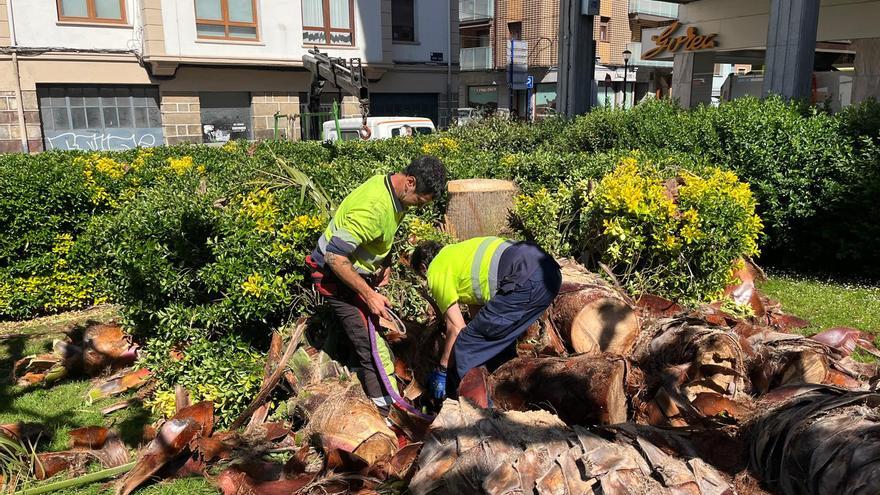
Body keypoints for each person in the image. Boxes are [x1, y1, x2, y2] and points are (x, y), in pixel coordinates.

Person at [306, 156, 447, 415]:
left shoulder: (394, 191)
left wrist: (386, 262)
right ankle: (384, 412)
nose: (418, 207)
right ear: (410, 182)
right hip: (333, 276)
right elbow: (335, 257)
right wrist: (369, 295)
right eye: (420, 201)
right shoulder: (373, 208)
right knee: (372, 349)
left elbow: (382, 234)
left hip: (353, 273)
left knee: (373, 341)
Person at [410, 237, 561, 400]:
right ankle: (511, 395)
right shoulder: (459, 254)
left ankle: (470, 411)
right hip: (550, 274)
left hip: (525, 280)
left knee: (465, 345)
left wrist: (443, 368)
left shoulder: (436, 268)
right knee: (499, 346)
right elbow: (481, 319)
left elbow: (456, 329)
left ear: (424, 267)